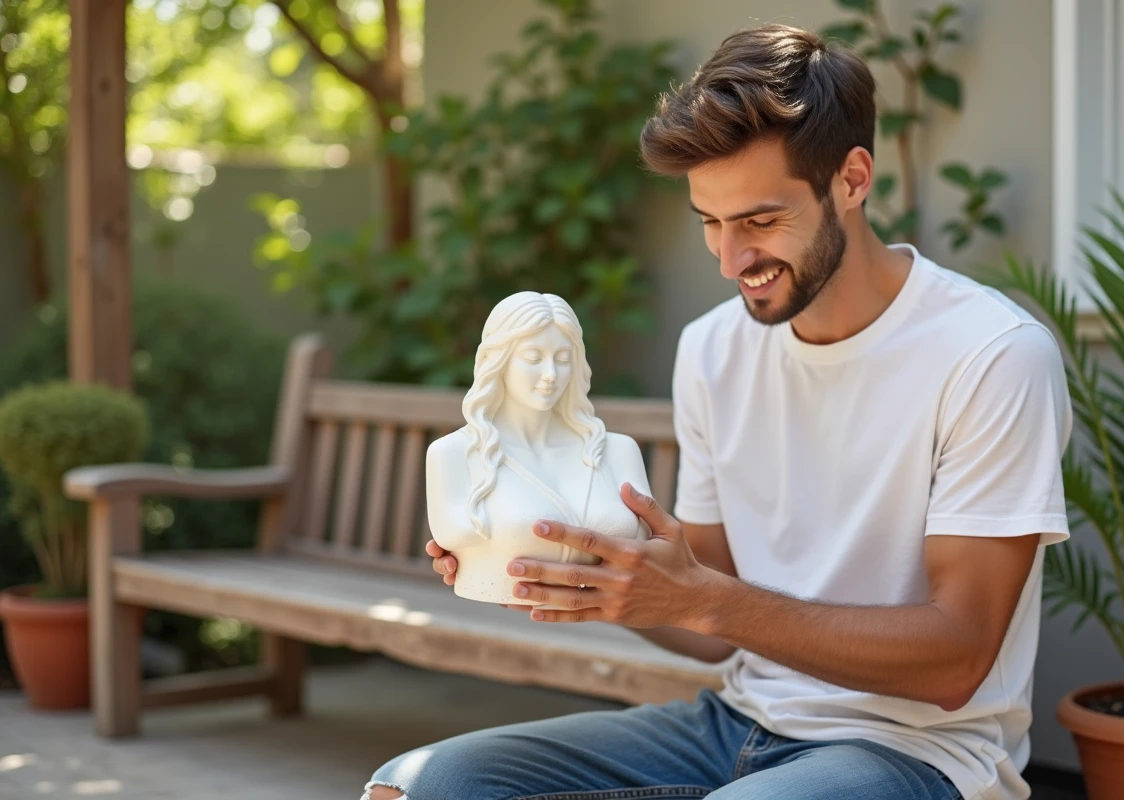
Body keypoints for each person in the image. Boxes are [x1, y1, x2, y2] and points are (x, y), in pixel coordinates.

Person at [363, 23, 1070, 800]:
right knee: (416, 787)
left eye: (760, 221)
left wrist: (705, 599)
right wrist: (584, 574)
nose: (731, 260)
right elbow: (706, 615)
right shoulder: (712, 350)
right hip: (733, 725)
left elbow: (957, 660)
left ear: (853, 179)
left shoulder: (991, 355)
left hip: (913, 752)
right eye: (710, 222)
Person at [424, 291, 651, 607]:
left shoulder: (617, 452)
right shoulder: (453, 455)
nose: (550, 376)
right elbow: (453, 536)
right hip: (501, 608)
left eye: (562, 359)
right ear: (498, 361)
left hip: (614, 621)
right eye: (533, 358)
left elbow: (649, 550)